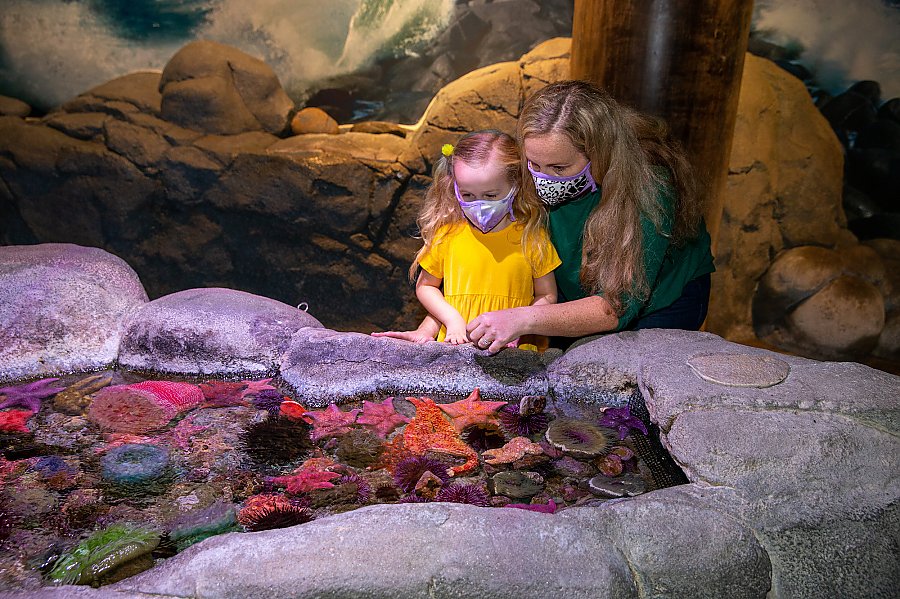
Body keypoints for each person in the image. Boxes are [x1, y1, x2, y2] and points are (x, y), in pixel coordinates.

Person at [462, 80, 715, 352]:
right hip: (573, 291)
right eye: (534, 164)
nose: (544, 178)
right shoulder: (528, 169)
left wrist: (524, 318)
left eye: (559, 167)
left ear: (600, 154)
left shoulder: (650, 186)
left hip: (661, 300)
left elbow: (613, 307)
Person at [372, 130, 561, 350]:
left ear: (516, 185)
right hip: (454, 346)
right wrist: (449, 320)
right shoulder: (447, 235)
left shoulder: (532, 237)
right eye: (468, 195)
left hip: (515, 350)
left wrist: (520, 323)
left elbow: (547, 294)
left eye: (490, 195)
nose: (478, 205)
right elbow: (426, 287)